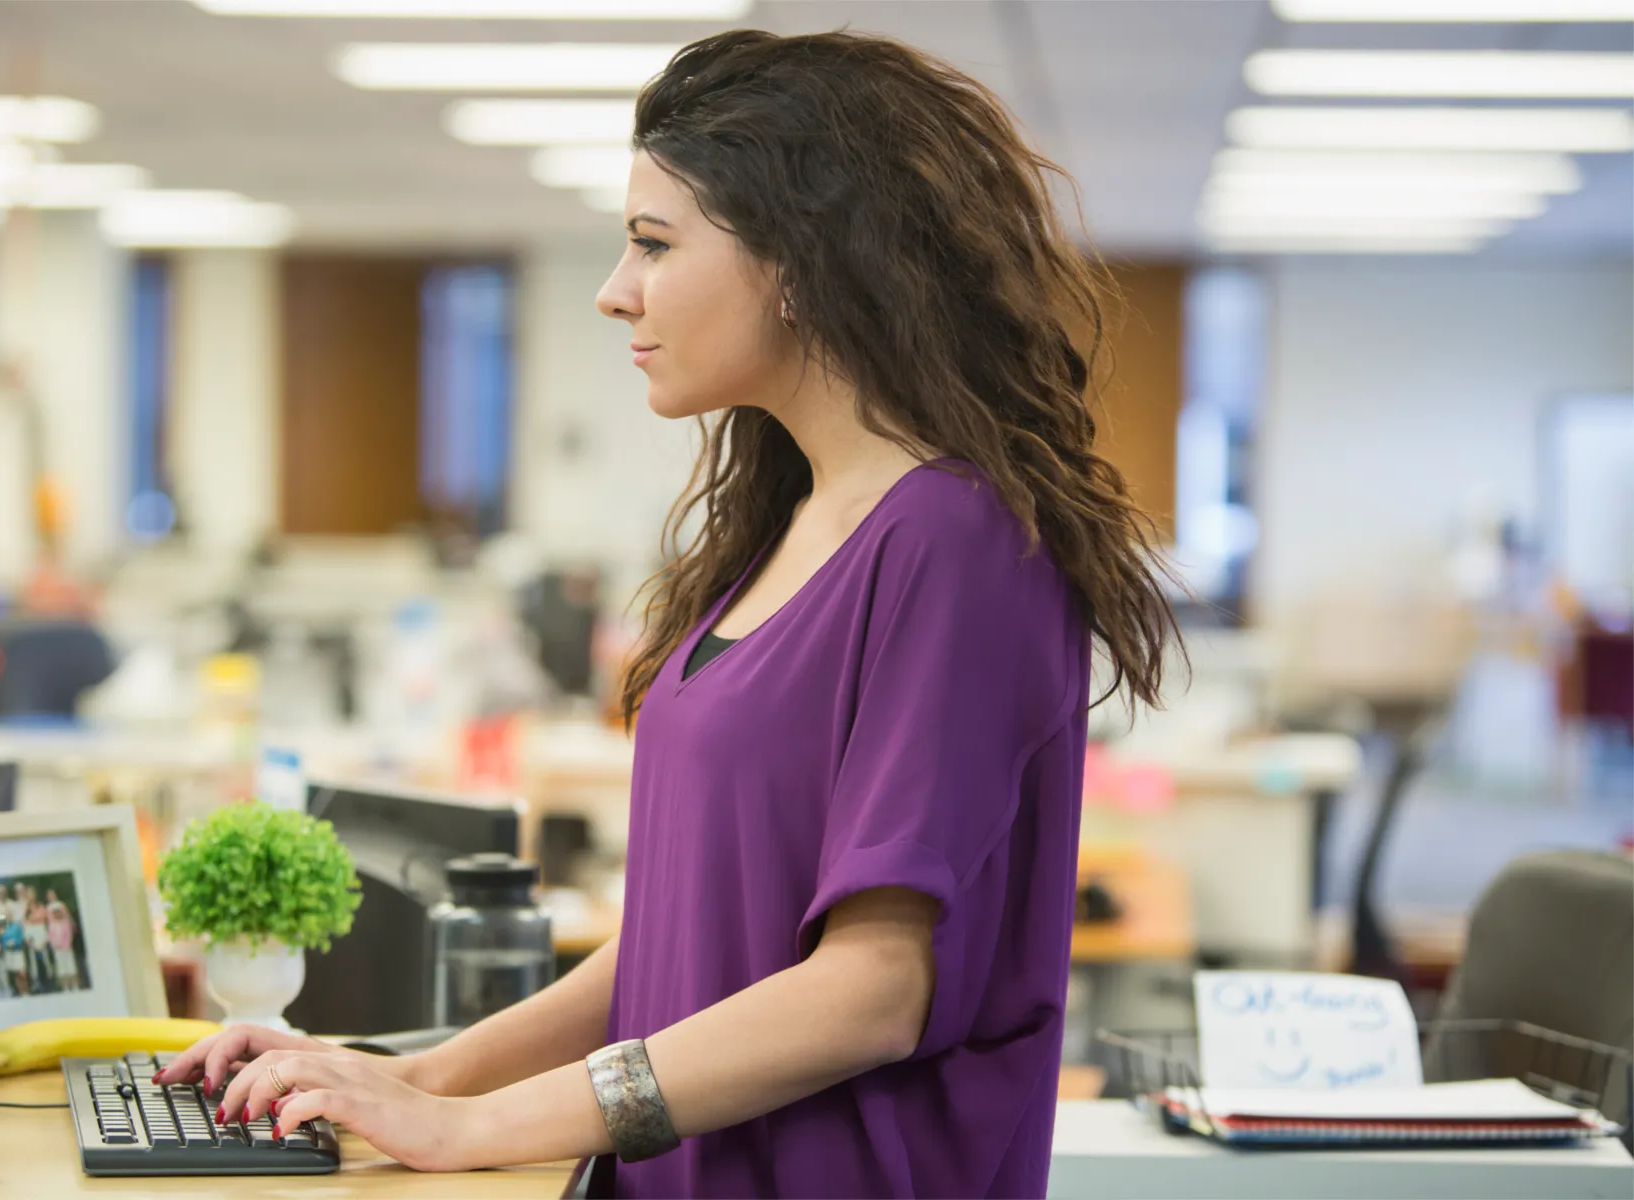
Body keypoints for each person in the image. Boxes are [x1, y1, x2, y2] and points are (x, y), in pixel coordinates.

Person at [159, 29, 1178, 1198]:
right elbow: (683, 951)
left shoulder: (957, 541)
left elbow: (870, 993)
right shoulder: (794, 521)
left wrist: (473, 1133)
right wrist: (425, 1082)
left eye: (653, 243)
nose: (614, 289)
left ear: (799, 262)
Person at [19, 881, 52, 993]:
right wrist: (28, 938)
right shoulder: (25, 909)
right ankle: (36, 982)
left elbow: (44, 920)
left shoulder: (41, 906)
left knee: (45, 959)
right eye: (29, 894)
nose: (31, 896)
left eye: (32, 893)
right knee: (33, 962)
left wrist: (44, 938)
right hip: (31, 937)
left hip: (41, 935)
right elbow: (24, 923)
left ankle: (48, 981)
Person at [46, 888, 81, 992]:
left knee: (71, 966)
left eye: (58, 912)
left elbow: (69, 935)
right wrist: (55, 945)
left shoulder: (65, 922)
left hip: (66, 947)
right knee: (61, 968)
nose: (56, 914)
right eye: (54, 913)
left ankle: (75, 987)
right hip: (57, 948)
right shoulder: (51, 925)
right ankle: (65, 987)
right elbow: (51, 936)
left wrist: (66, 944)